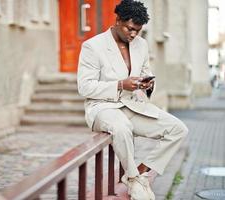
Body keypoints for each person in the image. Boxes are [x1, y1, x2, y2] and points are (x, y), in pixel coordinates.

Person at [77, 0, 188, 199]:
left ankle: (142, 174)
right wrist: (120, 84)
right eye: (130, 29)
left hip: (132, 105)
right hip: (102, 107)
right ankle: (133, 178)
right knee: (121, 127)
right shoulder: (92, 46)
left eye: (138, 30)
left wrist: (147, 85)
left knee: (178, 129)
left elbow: (145, 72)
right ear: (118, 20)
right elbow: (85, 87)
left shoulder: (141, 44)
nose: (134, 34)